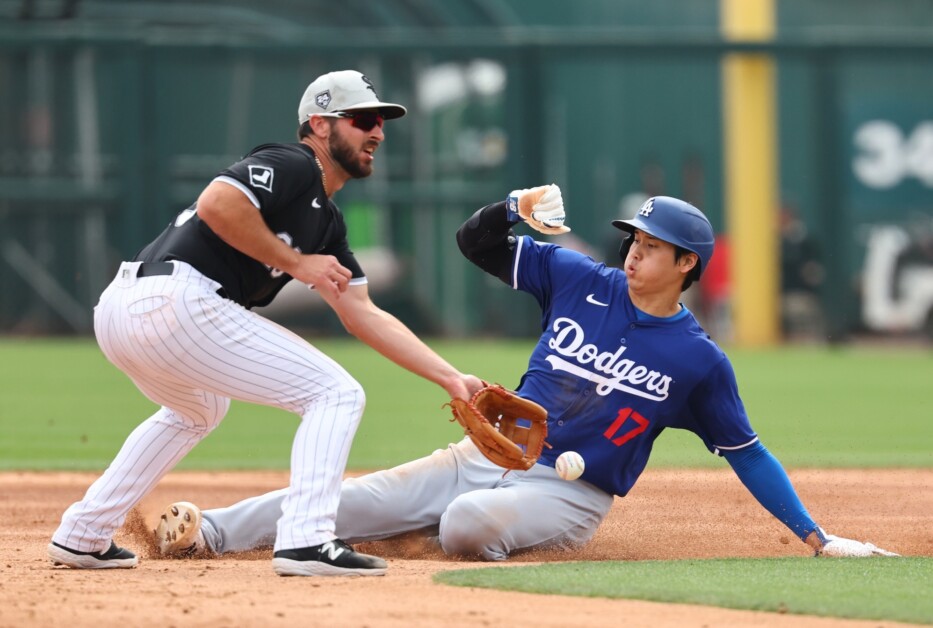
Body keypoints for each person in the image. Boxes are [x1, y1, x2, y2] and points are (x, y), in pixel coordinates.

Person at [153, 188, 897, 563]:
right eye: (633, 239)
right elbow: (475, 241)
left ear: (686, 264)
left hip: (567, 494)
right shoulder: (577, 278)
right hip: (481, 453)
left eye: (653, 245)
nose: (635, 252)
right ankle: (206, 532)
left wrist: (814, 536)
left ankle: (422, 541)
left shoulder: (697, 361)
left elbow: (748, 453)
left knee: (465, 525)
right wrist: (511, 206)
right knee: (352, 497)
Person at [47, 69, 483, 577]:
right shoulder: (294, 163)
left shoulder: (327, 224)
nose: (378, 132)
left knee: (199, 410)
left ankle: (83, 534)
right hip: (174, 300)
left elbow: (363, 314)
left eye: (381, 121)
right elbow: (218, 203)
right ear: (320, 125)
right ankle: (306, 540)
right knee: (335, 394)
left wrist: (450, 377)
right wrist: (297, 264)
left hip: (132, 309)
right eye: (364, 119)